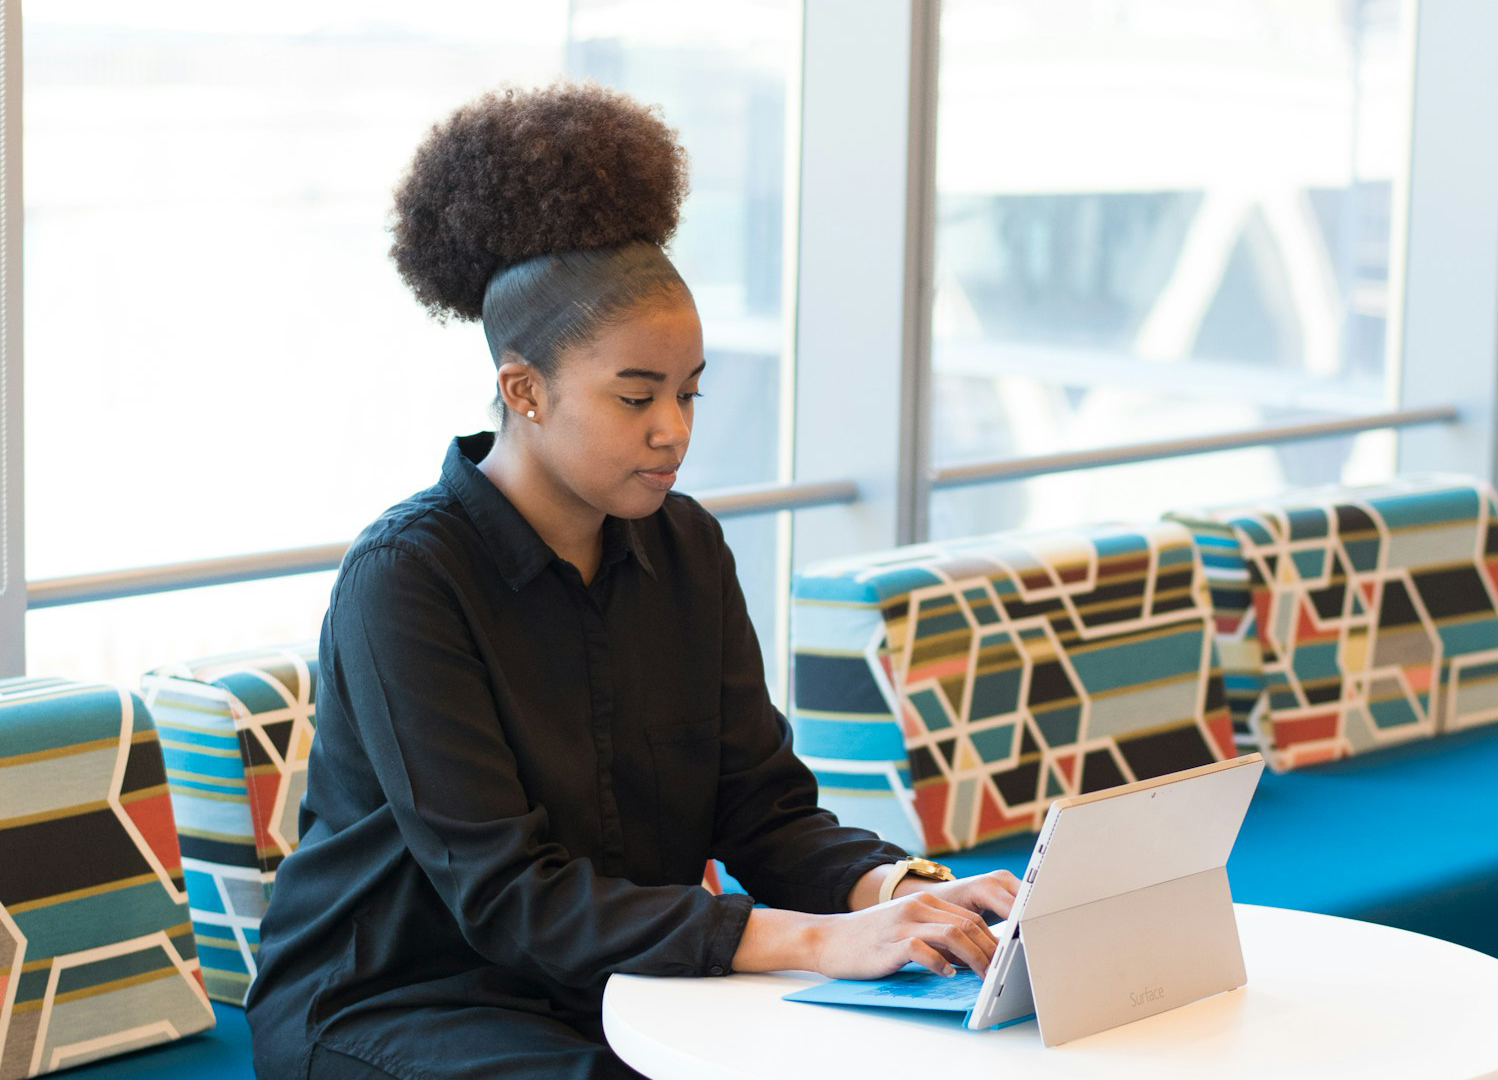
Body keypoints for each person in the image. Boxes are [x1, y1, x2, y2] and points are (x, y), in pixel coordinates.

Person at [246, 82, 1020, 1080]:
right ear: (525, 390)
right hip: (398, 1003)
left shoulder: (685, 547)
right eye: (636, 397)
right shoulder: (407, 581)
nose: (676, 431)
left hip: (624, 979)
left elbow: (764, 811)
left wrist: (896, 892)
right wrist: (818, 942)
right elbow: (508, 895)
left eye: (691, 392)